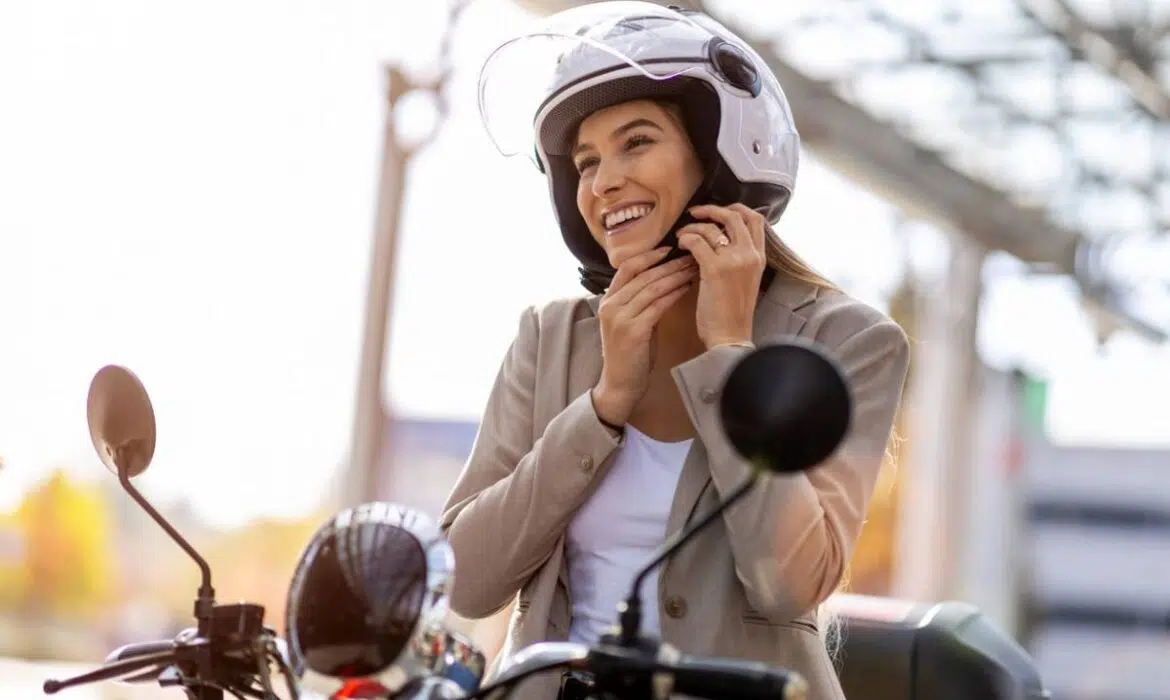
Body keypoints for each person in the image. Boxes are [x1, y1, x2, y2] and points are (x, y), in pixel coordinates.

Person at [440, 4, 910, 699]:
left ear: (718, 153)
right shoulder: (549, 338)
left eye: (636, 142)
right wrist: (603, 408)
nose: (602, 183)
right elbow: (468, 582)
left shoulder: (849, 341)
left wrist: (729, 356)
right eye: (586, 161)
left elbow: (789, 585)